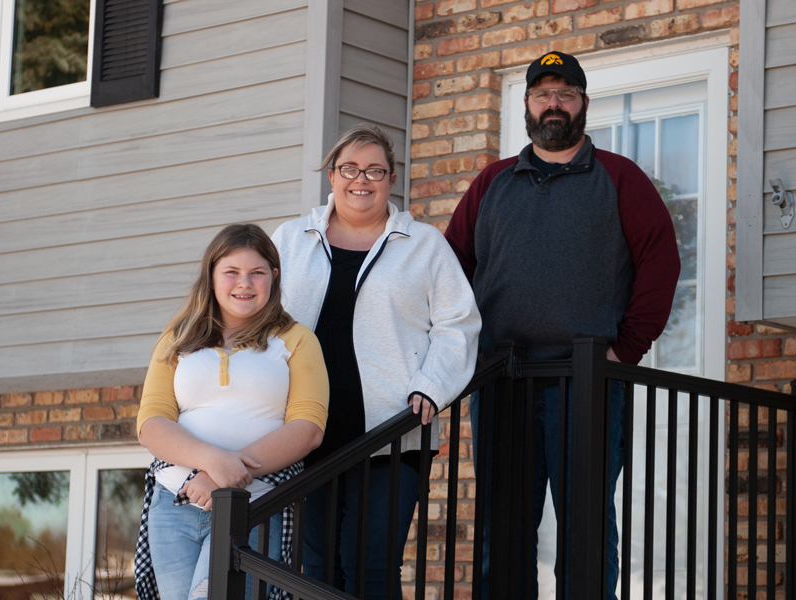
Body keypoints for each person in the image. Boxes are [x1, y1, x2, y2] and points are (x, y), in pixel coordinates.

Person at [444, 51, 681, 599]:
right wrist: (465, 356)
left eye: (566, 94)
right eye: (543, 94)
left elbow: (660, 263)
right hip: (502, 379)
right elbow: (451, 272)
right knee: (501, 528)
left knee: (587, 526)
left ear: (583, 105)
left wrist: (626, 349)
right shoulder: (492, 183)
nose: (555, 104)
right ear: (527, 105)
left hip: (588, 379)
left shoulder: (621, 179)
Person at [272, 124, 480, 600]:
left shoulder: (423, 245)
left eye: (375, 170)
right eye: (349, 168)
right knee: (314, 571)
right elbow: (255, 314)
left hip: (390, 434)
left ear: (391, 179)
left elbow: (459, 323)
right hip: (303, 434)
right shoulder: (290, 239)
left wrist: (432, 385)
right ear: (331, 175)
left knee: (370, 571)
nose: (360, 179)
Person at [133, 224, 329, 600]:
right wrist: (212, 464)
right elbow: (151, 422)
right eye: (232, 272)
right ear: (211, 276)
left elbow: (308, 428)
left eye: (257, 272)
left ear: (273, 276)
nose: (245, 283)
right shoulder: (177, 337)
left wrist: (225, 476)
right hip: (174, 501)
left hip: (254, 505)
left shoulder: (297, 339)